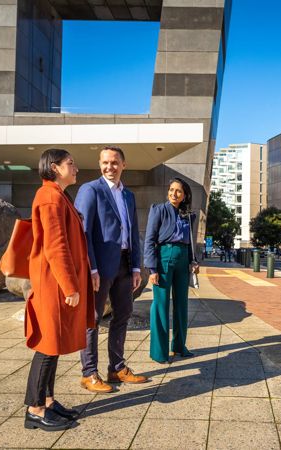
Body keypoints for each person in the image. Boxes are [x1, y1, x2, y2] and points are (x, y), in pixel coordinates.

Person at [24, 148, 94, 431]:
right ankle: (35, 408)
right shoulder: (50, 197)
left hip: (56, 281)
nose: (75, 168)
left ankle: (48, 400)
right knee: (48, 345)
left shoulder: (58, 195)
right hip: (53, 283)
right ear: (54, 167)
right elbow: (55, 246)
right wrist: (70, 284)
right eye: (70, 164)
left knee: (53, 345)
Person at [74, 146, 148, 393]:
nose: (110, 167)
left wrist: (137, 266)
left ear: (123, 165)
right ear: (99, 164)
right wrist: (91, 268)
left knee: (123, 314)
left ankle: (116, 368)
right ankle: (89, 373)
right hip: (100, 267)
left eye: (115, 162)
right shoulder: (90, 190)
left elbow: (132, 231)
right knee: (92, 318)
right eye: (105, 162)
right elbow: (82, 233)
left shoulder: (128, 195)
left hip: (125, 264)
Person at [144, 177, 199, 363]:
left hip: (183, 259)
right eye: (171, 189)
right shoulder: (158, 210)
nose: (174, 194)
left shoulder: (188, 215)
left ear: (184, 196)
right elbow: (150, 239)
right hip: (164, 256)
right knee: (160, 305)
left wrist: (193, 260)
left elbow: (190, 241)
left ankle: (179, 346)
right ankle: (159, 352)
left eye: (178, 191)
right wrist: (152, 268)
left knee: (182, 304)